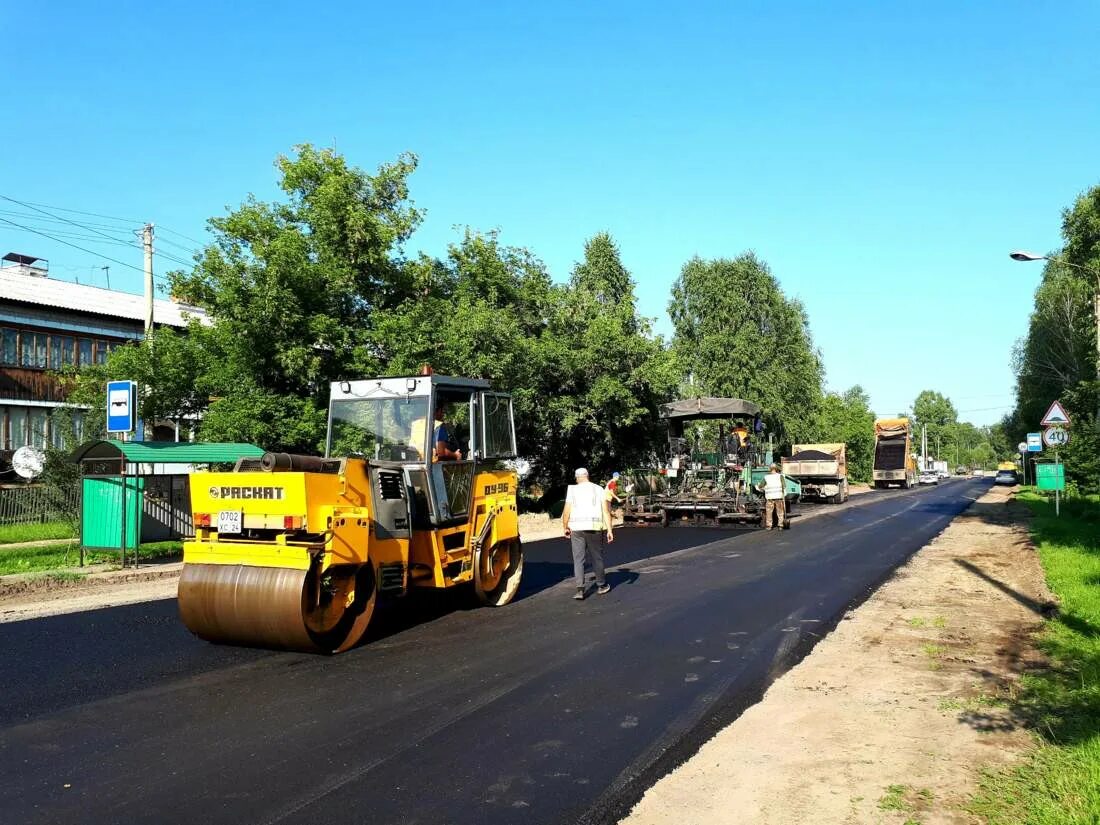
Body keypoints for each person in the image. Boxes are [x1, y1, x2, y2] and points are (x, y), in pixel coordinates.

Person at [561, 467, 614, 600]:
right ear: (588, 476)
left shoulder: (572, 490)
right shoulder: (598, 489)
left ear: (577, 477)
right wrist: (609, 530)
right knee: (597, 557)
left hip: (576, 529)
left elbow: (566, 510)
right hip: (594, 528)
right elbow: (606, 511)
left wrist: (565, 526)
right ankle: (601, 586)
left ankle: (580, 590)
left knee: (578, 560)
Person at [759, 463, 786, 530]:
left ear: (770, 469)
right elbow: (784, 486)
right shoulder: (780, 476)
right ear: (777, 469)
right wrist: (783, 494)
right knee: (780, 512)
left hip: (770, 498)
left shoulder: (766, 477)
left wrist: (759, 486)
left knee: (769, 512)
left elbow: (761, 486)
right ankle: (780, 525)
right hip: (779, 497)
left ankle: (769, 526)